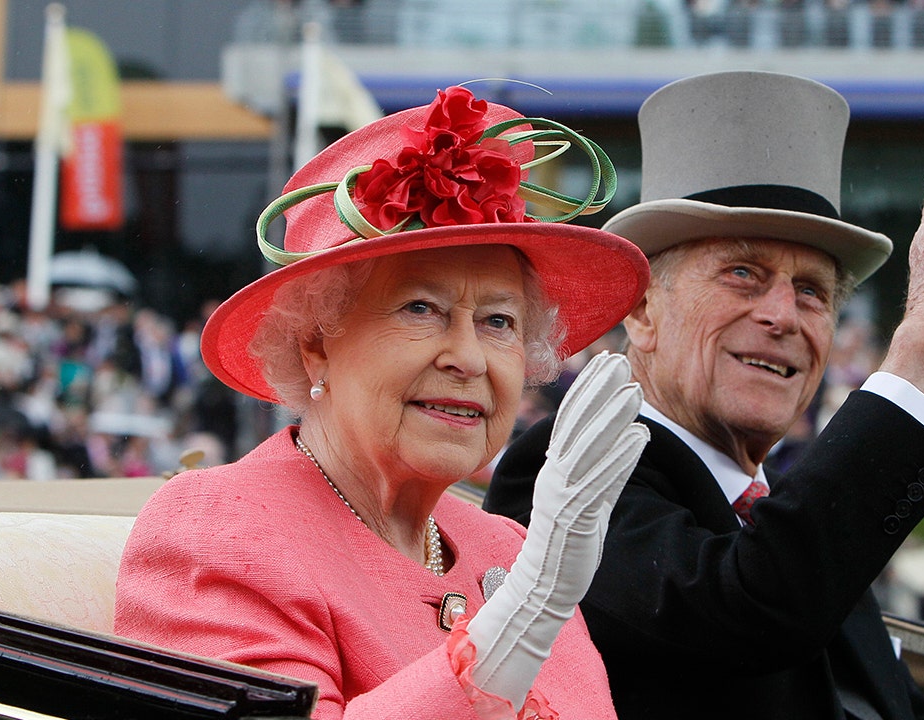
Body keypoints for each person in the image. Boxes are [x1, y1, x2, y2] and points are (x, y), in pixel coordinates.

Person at [485, 70, 924, 719]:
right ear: (644, 312)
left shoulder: (786, 517)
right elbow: (749, 611)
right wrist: (921, 360)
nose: (783, 316)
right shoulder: (567, 472)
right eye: (743, 273)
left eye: (812, 291)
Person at [114, 86, 654, 720]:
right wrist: (522, 614)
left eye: (499, 321)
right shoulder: (215, 529)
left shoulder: (508, 547)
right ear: (316, 343)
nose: (469, 358)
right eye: (420, 309)